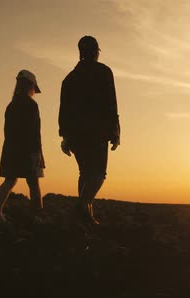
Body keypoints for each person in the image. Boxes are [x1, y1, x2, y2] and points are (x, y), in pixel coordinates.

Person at [59, 35, 120, 226]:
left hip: (76, 134)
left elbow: (63, 110)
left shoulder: (69, 79)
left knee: (85, 173)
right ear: (96, 52)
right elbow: (111, 102)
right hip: (97, 132)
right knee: (98, 174)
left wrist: (65, 136)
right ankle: (82, 205)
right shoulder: (103, 72)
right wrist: (115, 130)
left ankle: (86, 216)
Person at [0, 69, 45, 223]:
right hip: (29, 150)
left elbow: (7, 131)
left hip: (10, 149)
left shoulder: (11, 105)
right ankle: (37, 215)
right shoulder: (31, 105)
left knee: (9, 180)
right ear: (31, 86)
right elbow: (35, 132)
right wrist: (38, 153)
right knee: (34, 183)